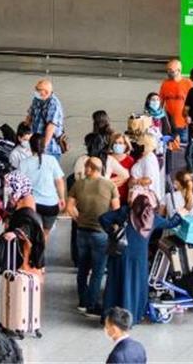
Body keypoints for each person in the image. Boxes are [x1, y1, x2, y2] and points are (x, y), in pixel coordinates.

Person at [99, 191, 182, 324]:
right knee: (135, 285)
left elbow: (103, 218)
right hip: (139, 258)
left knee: (116, 284)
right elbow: (171, 223)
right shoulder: (153, 217)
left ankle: (110, 317)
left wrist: (112, 230)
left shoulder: (124, 212)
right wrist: (180, 215)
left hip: (120, 255)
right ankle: (131, 317)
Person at [68, 156, 120, 318]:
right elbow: (115, 211)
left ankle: (82, 302)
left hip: (82, 231)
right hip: (101, 233)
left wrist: (79, 218)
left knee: (82, 268)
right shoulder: (110, 185)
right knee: (97, 271)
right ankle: (92, 304)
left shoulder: (78, 184)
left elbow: (70, 207)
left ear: (89, 168)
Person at [1, 172, 47, 273]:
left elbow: (27, 224)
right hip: (24, 259)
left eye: (9, 186)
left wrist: (15, 233)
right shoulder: (24, 199)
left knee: (20, 286)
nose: (7, 190)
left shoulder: (26, 203)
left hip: (25, 263)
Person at [25, 78, 65, 160]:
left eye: (38, 90)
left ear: (46, 92)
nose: (36, 91)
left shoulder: (53, 105)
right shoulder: (37, 99)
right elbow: (30, 115)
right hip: (35, 143)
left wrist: (42, 148)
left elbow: (50, 128)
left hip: (49, 148)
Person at [158, 59, 193, 145]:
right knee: (168, 147)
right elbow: (160, 103)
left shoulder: (188, 83)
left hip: (184, 124)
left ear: (179, 70)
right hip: (169, 125)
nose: (169, 72)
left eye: (171, 70)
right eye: (168, 70)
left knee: (182, 149)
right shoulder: (165, 83)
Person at [128, 134, 163, 202]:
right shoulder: (147, 156)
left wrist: (134, 181)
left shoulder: (148, 159)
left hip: (143, 198)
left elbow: (149, 180)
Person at [108, 133, 135, 202]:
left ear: (125, 145)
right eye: (115, 143)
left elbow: (131, 180)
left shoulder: (130, 160)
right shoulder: (107, 158)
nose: (117, 145)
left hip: (124, 197)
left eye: (120, 143)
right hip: (108, 197)